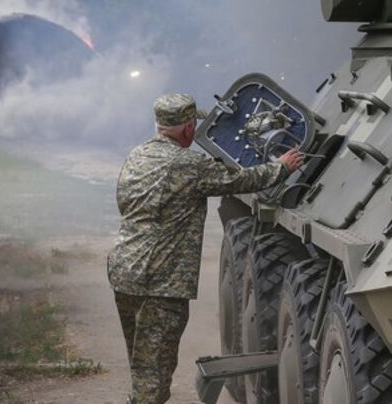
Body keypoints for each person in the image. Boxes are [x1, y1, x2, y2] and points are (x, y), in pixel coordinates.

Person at [107, 92, 304, 404]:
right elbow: (241, 180)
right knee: (154, 368)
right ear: (188, 128)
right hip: (160, 280)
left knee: (141, 359)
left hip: (124, 270)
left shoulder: (139, 154)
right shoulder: (188, 164)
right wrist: (282, 166)